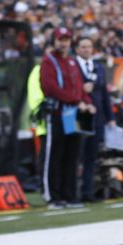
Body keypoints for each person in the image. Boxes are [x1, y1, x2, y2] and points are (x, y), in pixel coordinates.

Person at [40, 27, 93, 208]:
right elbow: (50, 87)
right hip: (56, 113)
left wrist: (87, 101)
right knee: (54, 155)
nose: (64, 43)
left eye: (67, 40)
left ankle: (69, 195)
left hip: (71, 115)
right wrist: (76, 100)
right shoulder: (49, 62)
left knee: (71, 155)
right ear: (54, 41)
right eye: (60, 39)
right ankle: (52, 196)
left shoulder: (71, 62)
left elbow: (78, 86)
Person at [74, 35, 113, 203]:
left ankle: (88, 192)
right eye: (83, 47)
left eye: (88, 47)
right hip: (78, 115)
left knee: (91, 156)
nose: (86, 50)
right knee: (76, 156)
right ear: (77, 49)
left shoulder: (99, 67)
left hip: (97, 117)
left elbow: (104, 94)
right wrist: (81, 89)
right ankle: (72, 192)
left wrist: (110, 116)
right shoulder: (72, 66)